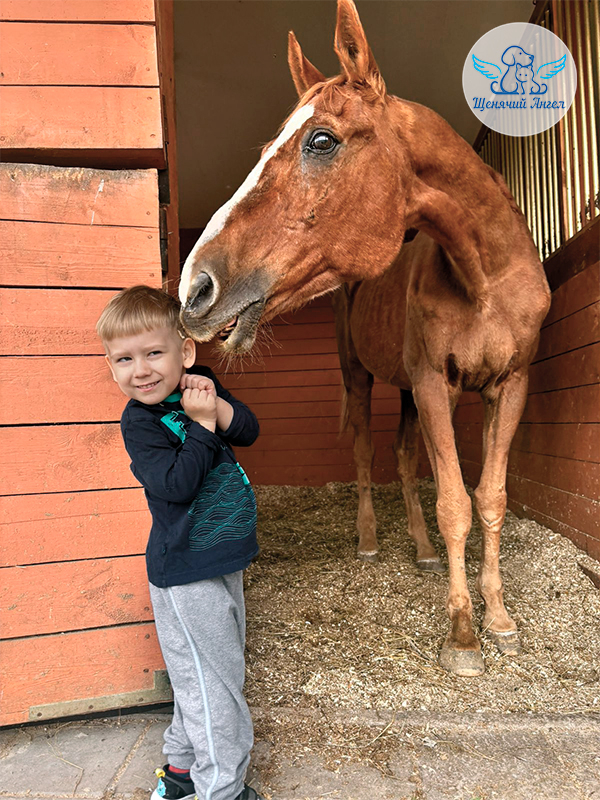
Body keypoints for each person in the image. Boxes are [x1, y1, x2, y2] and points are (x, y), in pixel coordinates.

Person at [96, 285, 264, 800]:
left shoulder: (201, 384)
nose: (140, 370)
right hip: (184, 568)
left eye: (153, 353)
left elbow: (250, 431)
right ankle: (223, 790)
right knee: (215, 685)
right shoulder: (139, 422)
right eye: (124, 359)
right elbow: (175, 485)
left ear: (184, 352)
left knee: (210, 672)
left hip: (222, 554)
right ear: (111, 365)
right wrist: (201, 426)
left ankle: (182, 773)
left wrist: (214, 407)